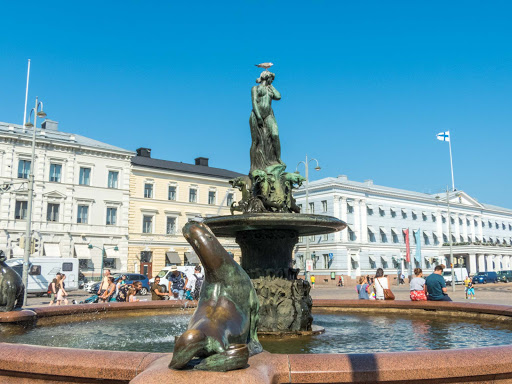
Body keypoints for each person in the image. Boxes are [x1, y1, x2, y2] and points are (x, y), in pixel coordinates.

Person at [249, 70, 283, 172]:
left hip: (268, 115)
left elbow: (278, 96)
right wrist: (259, 117)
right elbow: (254, 102)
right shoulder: (255, 88)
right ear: (266, 78)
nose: (272, 81)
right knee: (256, 141)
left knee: (275, 135)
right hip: (256, 115)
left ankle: (278, 158)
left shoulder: (270, 89)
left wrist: (271, 86)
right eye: (271, 79)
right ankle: (253, 166)